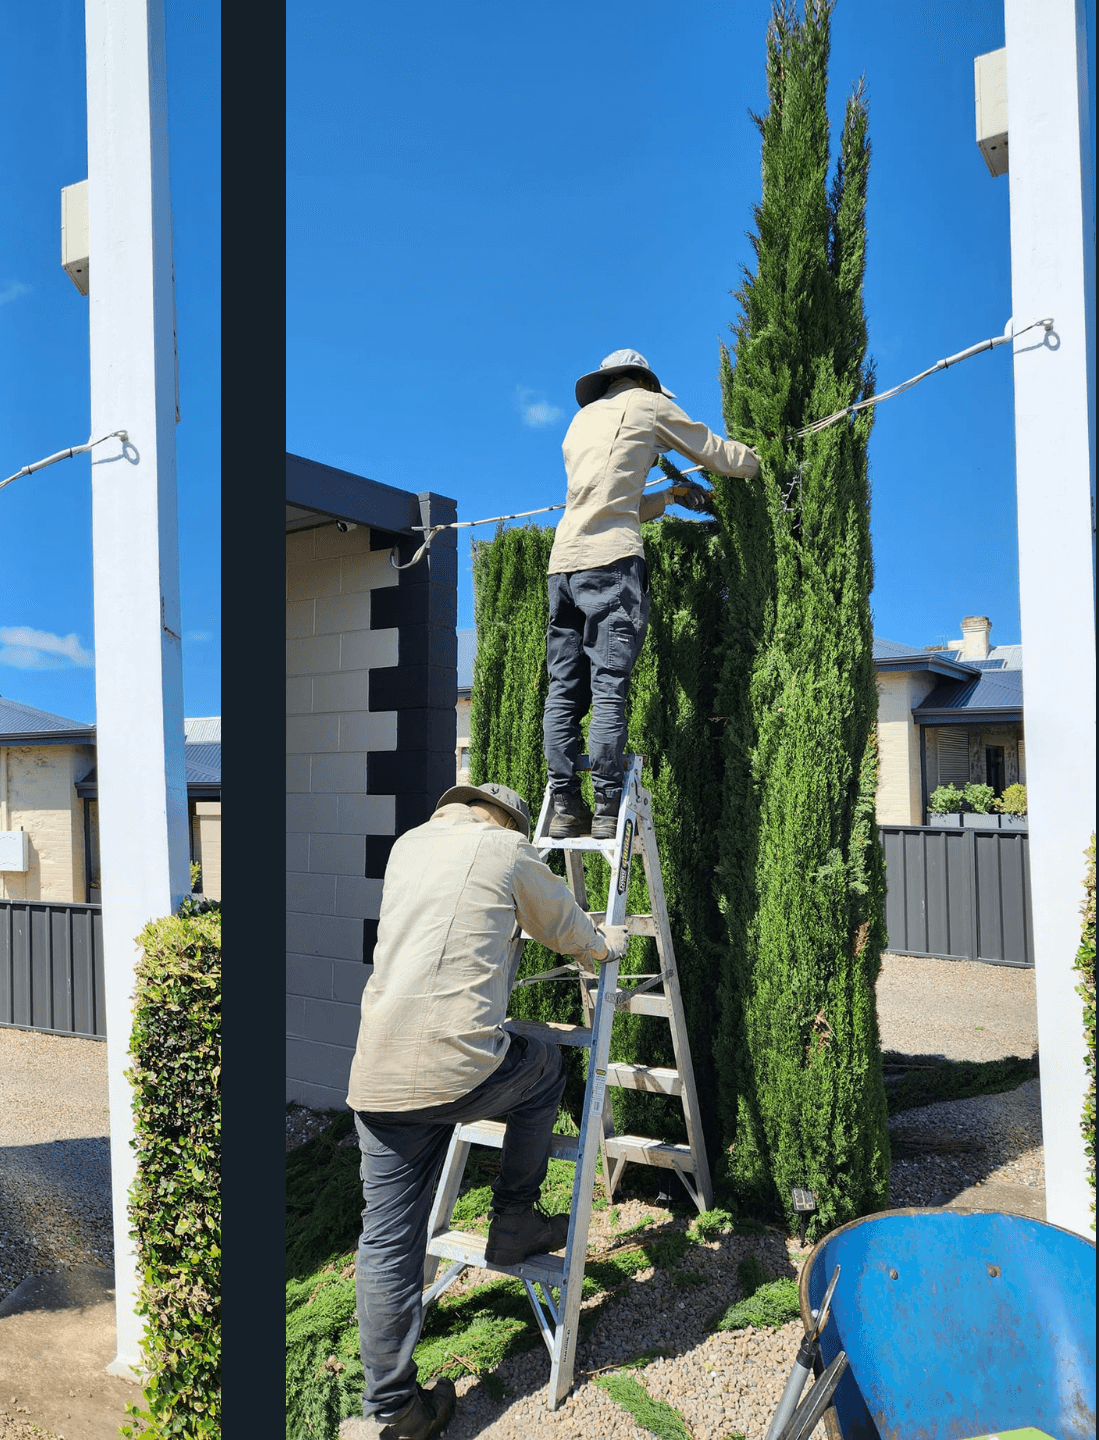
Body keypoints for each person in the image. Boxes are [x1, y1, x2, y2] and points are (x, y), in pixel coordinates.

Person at [345, 781, 629, 1439]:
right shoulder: (504, 849)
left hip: (377, 1073)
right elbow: (568, 931)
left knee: (386, 1244)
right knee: (544, 1067)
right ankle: (515, 1218)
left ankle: (394, 1409)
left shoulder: (409, 847)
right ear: (503, 819)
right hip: (453, 1068)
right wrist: (607, 942)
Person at [543, 347, 760, 839]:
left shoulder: (579, 424)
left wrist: (671, 496)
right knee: (608, 687)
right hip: (612, 563)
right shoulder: (649, 404)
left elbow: (613, 501)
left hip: (563, 567)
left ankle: (564, 804)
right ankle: (604, 805)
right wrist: (758, 463)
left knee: (563, 691)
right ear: (643, 381)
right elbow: (714, 452)